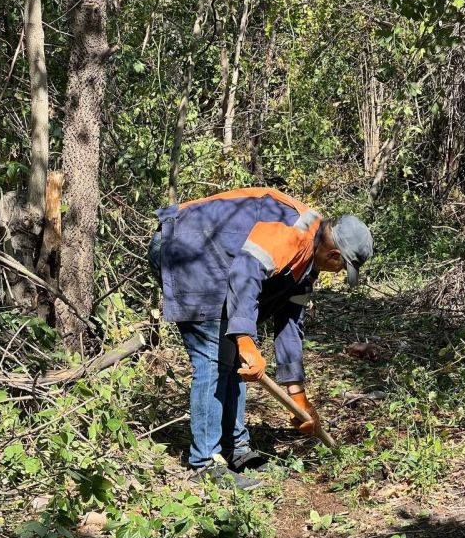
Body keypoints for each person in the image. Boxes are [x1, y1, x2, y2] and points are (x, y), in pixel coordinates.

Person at [149, 187, 373, 490]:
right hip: (186, 248)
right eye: (342, 267)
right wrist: (245, 340)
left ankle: (236, 450)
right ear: (334, 255)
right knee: (216, 361)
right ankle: (205, 463)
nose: (337, 272)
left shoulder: (307, 262)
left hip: (215, 263)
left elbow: (291, 323)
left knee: (237, 364)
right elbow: (244, 272)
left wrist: (299, 399)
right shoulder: (293, 233)